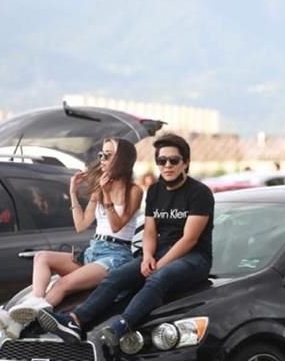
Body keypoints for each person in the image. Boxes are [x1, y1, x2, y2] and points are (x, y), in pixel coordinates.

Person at [38, 134, 213, 349]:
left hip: (193, 258)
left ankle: (122, 325)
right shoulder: (156, 191)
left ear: (185, 162)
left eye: (173, 160)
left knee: (158, 278)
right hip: (158, 254)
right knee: (117, 277)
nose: (167, 165)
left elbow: (189, 239)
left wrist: (160, 264)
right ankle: (75, 321)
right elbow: (149, 230)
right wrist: (148, 255)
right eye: (161, 161)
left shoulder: (199, 193)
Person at [0, 138, 142, 338]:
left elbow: (117, 225)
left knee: (61, 284)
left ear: (122, 158)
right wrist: (73, 193)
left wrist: (107, 195)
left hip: (116, 255)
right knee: (42, 257)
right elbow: (81, 225)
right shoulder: (99, 189)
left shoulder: (134, 190)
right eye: (101, 154)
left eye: (107, 155)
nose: (102, 159)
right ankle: (22, 314)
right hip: (94, 250)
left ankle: (16, 320)